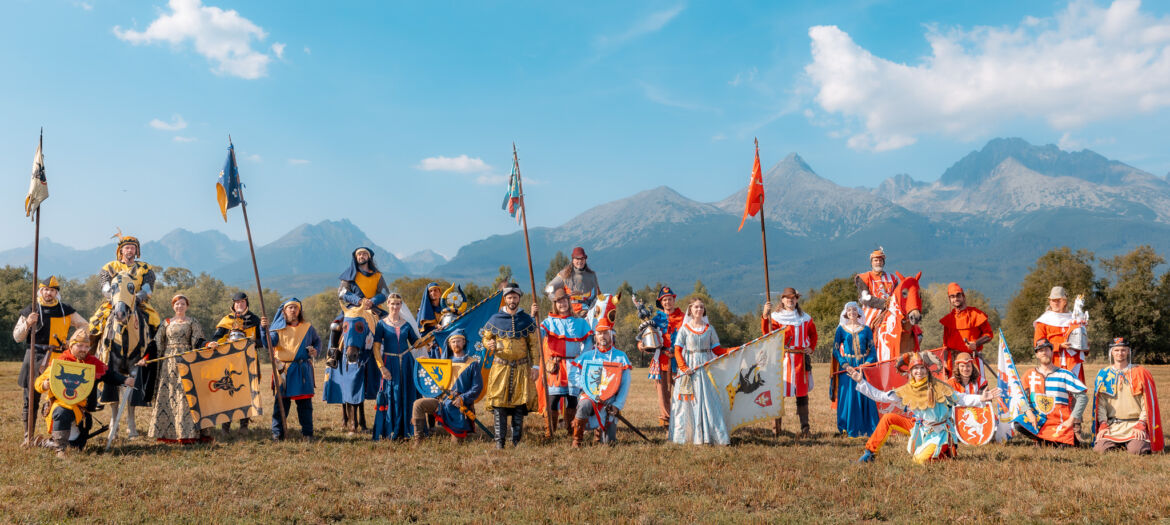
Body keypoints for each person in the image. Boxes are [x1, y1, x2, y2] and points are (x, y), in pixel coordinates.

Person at [848, 351, 1000, 464]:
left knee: (918, 460)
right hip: (919, 427)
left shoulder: (940, 386)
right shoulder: (907, 390)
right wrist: (862, 382)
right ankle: (870, 454)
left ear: (927, 370)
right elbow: (881, 396)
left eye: (922, 368)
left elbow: (961, 398)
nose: (919, 371)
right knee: (888, 418)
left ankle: (944, 453)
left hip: (940, 432)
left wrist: (981, 398)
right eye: (915, 368)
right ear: (911, 372)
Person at [35, 330, 135, 457]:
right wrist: (44, 384)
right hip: (60, 407)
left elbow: (109, 375)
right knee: (63, 412)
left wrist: (125, 379)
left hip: (81, 411)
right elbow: (38, 382)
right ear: (71, 346)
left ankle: (44, 443)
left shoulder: (92, 362)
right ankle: (60, 450)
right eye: (80, 346)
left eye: (87, 346)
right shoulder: (60, 362)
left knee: (76, 448)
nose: (84, 349)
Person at [12, 276, 87, 445]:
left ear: (56, 293)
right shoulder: (31, 309)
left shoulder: (65, 310)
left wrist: (73, 341)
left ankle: (63, 435)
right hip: (34, 355)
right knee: (30, 398)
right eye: (46, 290)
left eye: (52, 290)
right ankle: (28, 437)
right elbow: (17, 336)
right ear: (41, 291)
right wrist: (28, 324)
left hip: (59, 358)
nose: (49, 293)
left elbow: (85, 325)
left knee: (63, 396)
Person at [481, 283, 541, 449]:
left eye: (515, 297)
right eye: (509, 297)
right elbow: (485, 338)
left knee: (519, 405)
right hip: (501, 367)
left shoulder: (527, 320)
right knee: (499, 404)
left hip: (522, 368)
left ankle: (516, 441)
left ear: (519, 299)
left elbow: (534, 346)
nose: (512, 300)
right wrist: (489, 343)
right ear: (505, 299)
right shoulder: (495, 319)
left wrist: (535, 367)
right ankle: (499, 442)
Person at [668, 298, 730, 445]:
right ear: (690, 310)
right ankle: (686, 436)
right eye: (696, 307)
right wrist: (683, 367)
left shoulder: (709, 329)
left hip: (705, 367)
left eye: (702, 307)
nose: (699, 309)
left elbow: (717, 350)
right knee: (688, 401)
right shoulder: (684, 329)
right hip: (689, 368)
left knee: (708, 400)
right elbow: (677, 350)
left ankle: (709, 435)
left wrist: (735, 350)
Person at [149, 294, 210, 444]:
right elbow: (156, 343)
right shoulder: (166, 323)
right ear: (173, 306)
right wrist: (145, 358)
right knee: (169, 394)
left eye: (182, 304)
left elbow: (199, 340)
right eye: (177, 304)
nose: (179, 306)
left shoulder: (192, 322)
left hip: (186, 361)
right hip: (168, 363)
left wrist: (208, 345)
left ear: (187, 306)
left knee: (185, 396)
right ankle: (167, 434)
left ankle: (187, 434)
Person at [208, 292, 268, 433]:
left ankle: (244, 426)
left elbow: (263, 342)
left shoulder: (255, 320)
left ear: (246, 303)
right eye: (237, 302)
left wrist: (251, 342)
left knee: (247, 392)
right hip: (228, 362)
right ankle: (225, 427)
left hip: (249, 361)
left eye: (242, 302)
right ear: (233, 304)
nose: (239, 305)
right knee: (227, 390)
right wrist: (224, 342)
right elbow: (216, 338)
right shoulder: (226, 320)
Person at [1092, 337, 1163, 455]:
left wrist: (1142, 423)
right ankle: (1120, 444)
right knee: (1100, 449)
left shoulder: (1140, 373)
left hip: (1135, 425)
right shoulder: (1103, 374)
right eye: (1116, 350)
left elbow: (1147, 404)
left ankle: (1134, 443)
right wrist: (1103, 423)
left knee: (1137, 450)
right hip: (1113, 425)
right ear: (1111, 352)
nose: (1120, 353)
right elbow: (1101, 404)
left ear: (1129, 351)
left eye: (1123, 350)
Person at [761, 287, 817, 437]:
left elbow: (813, 334)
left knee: (802, 395)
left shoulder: (805, 318)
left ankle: (805, 430)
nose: (790, 300)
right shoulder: (776, 317)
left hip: (800, 360)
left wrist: (811, 347)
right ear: (782, 300)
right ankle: (776, 430)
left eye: (792, 298)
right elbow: (767, 333)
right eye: (786, 298)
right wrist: (765, 316)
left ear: (797, 299)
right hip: (783, 359)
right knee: (779, 393)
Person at [411, 329, 483, 444]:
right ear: (449, 344)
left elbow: (477, 387)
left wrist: (462, 398)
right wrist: (426, 363)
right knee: (418, 404)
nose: (456, 344)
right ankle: (418, 440)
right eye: (453, 342)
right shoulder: (444, 362)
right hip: (442, 403)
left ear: (464, 342)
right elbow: (435, 378)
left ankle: (457, 432)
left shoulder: (472, 363)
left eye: (459, 341)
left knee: (457, 443)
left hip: (459, 406)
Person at [540, 288, 593, 437]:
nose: (562, 304)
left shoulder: (579, 322)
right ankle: (549, 432)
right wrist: (534, 317)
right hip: (556, 366)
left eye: (564, 301)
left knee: (572, 399)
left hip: (573, 365)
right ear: (555, 304)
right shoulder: (548, 321)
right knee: (553, 399)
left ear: (569, 302)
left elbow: (589, 341)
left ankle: (572, 430)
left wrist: (582, 358)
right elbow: (538, 332)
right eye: (558, 302)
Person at [1016, 338, 1088, 447]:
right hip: (1039, 421)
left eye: (1046, 349)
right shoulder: (1029, 374)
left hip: (1060, 422)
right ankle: (1041, 439)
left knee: (1064, 447)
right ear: (1036, 354)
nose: (1044, 352)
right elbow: (1020, 396)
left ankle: (1050, 440)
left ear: (1051, 352)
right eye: (1040, 350)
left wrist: (1071, 420)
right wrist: (1029, 413)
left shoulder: (1065, 374)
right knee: (1018, 423)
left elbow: (1083, 397)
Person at [569, 327, 632, 447]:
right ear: (595, 337)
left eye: (605, 333)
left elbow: (625, 384)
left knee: (609, 443)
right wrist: (586, 386)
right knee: (584, 404)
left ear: (611, 335)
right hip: (590, 396)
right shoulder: (587, 356)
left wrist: (617, 405)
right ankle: (577, 440)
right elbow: (573, 374)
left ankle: (600, 435)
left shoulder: (620, 356)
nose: (603, 336)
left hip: (610, 401)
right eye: (599, 334)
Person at [87, 234, 160, 336]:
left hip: (138, 303)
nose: (129, 250)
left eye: (132, 248)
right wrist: (117, 299)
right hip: (113, 303)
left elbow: (147, 289)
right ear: (121, 250)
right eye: (127, 248)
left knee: (155, 322)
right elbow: (105, 287)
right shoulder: (110, 266)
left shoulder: (145, 268)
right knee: (95, 323)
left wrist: (135, 299)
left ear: (136, 251)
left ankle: (154, 348)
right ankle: (91, 348)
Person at [371, 293, 421, 441]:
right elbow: (375, 348)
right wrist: (381, 367)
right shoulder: (381, 324)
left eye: (398, 304)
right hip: (389, 363)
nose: (395, 307)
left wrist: (432, 336)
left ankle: (410, 430)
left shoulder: (406, 324)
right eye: (392, 304)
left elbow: (416, 343)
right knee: (392, 395)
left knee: (408, 394)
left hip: (407, 363)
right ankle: (392, 430)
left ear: (401, 305)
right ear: (388, 304)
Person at [268, 298, 319, 442]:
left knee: (305, 405)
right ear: (284, 311)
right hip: (283, 369)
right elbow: (268, 343)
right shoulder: (277, 329)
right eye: (289, 307)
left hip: (302, 369)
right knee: (281, 404)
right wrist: (263, 328)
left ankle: (307, 434)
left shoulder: (307, 327)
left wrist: (316, 350)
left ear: (299, 311)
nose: (293, 310)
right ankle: (278, 433)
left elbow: (317, 341)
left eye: (295, 307)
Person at [636, 286, 683, 428]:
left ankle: (683, 418)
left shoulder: (684, 318)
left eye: (670, 299)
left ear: (674, 300)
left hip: (681, 361)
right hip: (661, 360)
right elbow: (642, 340)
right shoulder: (655, 320)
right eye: (664, 300)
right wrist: (643, 346)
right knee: (663, 394)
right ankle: (666, 420)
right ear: (661, 303)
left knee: (683, 392)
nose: (668, 302)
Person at [832, 302, 879, 437]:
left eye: (854, 310)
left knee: (864, 393)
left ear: (858, 313)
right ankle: (847, 427)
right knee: (848, 396)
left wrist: (867, 364)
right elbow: (835, 349)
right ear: (845, 313)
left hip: (863, 366)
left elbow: (872, 350)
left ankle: (866, 427)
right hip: (848, 367)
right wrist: (845, 364)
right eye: (849, 310)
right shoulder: (841, 329)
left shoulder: (866, 329)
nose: (852, 312)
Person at [938, 283, 992, 382]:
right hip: (953, 360)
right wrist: (944, 362)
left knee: (978, 386)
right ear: (949, 299)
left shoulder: (976, 314)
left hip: (973, 357)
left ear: (963, 296)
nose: (956, 299)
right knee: (955, 390)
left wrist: (976, 343)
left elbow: (988, 335)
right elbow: (945, 345)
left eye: (958, 295)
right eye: (952, 297)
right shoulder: (948, 319)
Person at [1032, 286, 1086, 383]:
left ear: (1065, 301)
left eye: (1058, 300)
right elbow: (1037, 344)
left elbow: (1082, 342)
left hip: (1073, 361)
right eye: (1053, 300)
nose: (1055, 303)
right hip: (1052, 361)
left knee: (1075, 394)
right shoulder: (1043, 321)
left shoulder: (1074, 318)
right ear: (1050, 301)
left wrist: (1084, 346)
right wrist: (1059, 346)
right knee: (1054, 392)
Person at [544, 246, 601, 317]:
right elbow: (548, 289)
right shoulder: (564, 275)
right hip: (570, 313)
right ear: (573, 260)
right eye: (577, 258)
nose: (580, 261)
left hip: (589, 313)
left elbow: (596, 296)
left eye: (582, 258)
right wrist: (558, 301)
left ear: (585, 260)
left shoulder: (592, 276)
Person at [338, 247, 389, 318]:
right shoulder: (349, 274)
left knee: (389, 326)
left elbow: (385, 293)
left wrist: (372, 301)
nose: (361, 256)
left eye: (364, 254)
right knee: (335, 326)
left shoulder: (377, 275)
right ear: (356, 257)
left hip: (375, 308)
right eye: (359, 254)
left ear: (369, 257)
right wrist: (359, 301)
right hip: (354, 308)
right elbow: (342, 293)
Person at [854, 248, 898, 328]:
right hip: (871, 310)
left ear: (883, 262)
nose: (878, 263)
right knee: (863, 333)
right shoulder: (864, 277)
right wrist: (884, 303)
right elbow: (864, 298)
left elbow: (898, 295)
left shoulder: (893, 278)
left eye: (880, 260)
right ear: (871, 262)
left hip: (892, 310)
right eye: (875, 260)